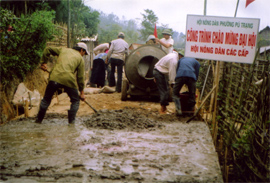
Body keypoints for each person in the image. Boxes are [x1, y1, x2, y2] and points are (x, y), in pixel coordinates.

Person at [35, 42, 89, 124]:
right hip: (68, 80)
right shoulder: (80, 59)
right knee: (75, 101)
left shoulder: (63, 50)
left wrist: (43, 63)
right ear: (82, 50)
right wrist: (82, 93)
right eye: (84, 53)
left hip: (54, 78)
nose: (83, 55)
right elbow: (80, 77)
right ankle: (71, 123)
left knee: (46, 100)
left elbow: (48, 49)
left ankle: (38, 121)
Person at [173, 51, 200, 116]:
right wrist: (194, 81)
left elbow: (177, 70)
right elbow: (196, 73)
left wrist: (178, 79)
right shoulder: (196, 62)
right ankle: (189, 112)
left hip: (180, 75)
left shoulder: (182, 59)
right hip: (191, 76)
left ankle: (179, 109)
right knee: (192, 94)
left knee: (175, 93)